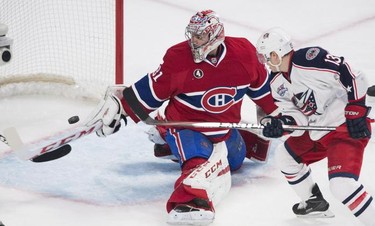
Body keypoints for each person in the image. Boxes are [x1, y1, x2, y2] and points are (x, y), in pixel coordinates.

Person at [90, 10, 278, 225]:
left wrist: (273, 118)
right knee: (199, 161)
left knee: (235, 162)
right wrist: (120, 112)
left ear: (215, 35)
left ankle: (167, 142)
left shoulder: (244, 54)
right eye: (192, 35)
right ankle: (190, 200)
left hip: (223, 129)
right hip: (186, 126)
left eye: (199, 36)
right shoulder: (179, 58)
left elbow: (263, 92)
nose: (193, 41)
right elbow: (151, 91)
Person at [255, 27, 375, 225]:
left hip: (345, 127)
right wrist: (282, 124)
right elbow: (298, 120)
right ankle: (314, 202)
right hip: (319, 130)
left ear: (275, 54)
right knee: (285, 156)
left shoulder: (308, 60)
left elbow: (355, 75)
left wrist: (356, 107)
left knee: (341, 185)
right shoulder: (276, 82)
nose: (265, 62)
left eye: (266, 57)